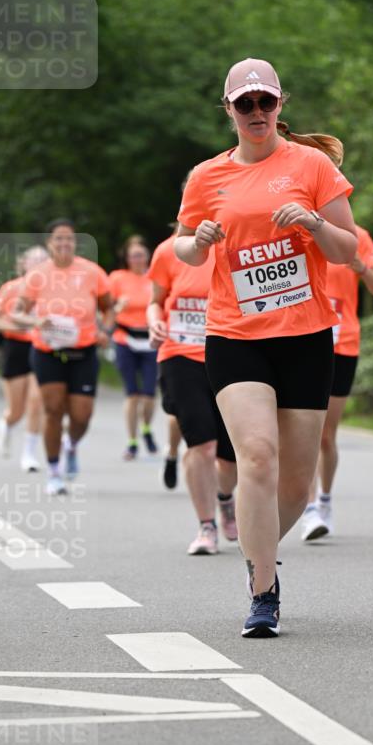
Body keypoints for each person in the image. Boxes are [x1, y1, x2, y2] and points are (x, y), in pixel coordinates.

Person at [174, 58, 357, 635]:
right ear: (228, 110)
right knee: (256, 454)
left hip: (305, 336)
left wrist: (313, 224)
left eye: (266, 102)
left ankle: (258, 548)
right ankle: (263, 591)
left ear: (281, 104)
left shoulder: (312, 165)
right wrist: (199, 242)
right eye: (244, 104)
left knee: (296, 485)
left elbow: (348, 250)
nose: (256, 112)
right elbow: (183, 247)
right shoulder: (207, 176)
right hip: (235, 335)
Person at [147, 230, 238, 554]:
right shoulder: (167, 250)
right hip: (180, 355)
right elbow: (155, 302)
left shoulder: (236, 241)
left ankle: (225, 499)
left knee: (230, 456)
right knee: (202, 444)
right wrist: (154, 322)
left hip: (230, 353)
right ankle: (206, 526)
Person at [14, 219, 114, 495]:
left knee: (82, 415)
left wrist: (105, 330)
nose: (64, 243)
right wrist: (36, 320)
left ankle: (71, 445)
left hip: (84, 351)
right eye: (58, 238)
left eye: (69, 238)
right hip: (48, 352)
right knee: (53, 410)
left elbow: (109, 308)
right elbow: (18, 312)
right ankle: (54, 471)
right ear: (49, 243)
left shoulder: (91, 272)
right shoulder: (37, 275)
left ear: (75, 242)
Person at [301, 223, 373, 540]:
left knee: (326, 435)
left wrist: (362, 267)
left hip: (343, 342)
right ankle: (309, 509)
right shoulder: (300, 229)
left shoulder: (357, 236)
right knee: (306, 431)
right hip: (304, 338)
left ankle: (324, 500)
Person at [0, 247, 47, 471]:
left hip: (41, 348)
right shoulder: (10, 288)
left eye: (43, 260)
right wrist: (19, 328)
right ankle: (7, 424)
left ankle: (29, 454)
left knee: (36, 401)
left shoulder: (52, 290)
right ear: (24, 264)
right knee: (16, 410)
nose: (39, 264)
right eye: (34, 260)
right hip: (16, 348)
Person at [109, 236, 158, 460]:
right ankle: (132, 442)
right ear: (127, 258)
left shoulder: (155, 276)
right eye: (133, 256)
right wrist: (117, 307)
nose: (138, 259)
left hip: (150, 340)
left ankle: (146, 428)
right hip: (125, 339)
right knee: (132, 394)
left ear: (147, 256)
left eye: (141, 255)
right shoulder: (117, 278)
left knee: (149, 394)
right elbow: (106, 311)